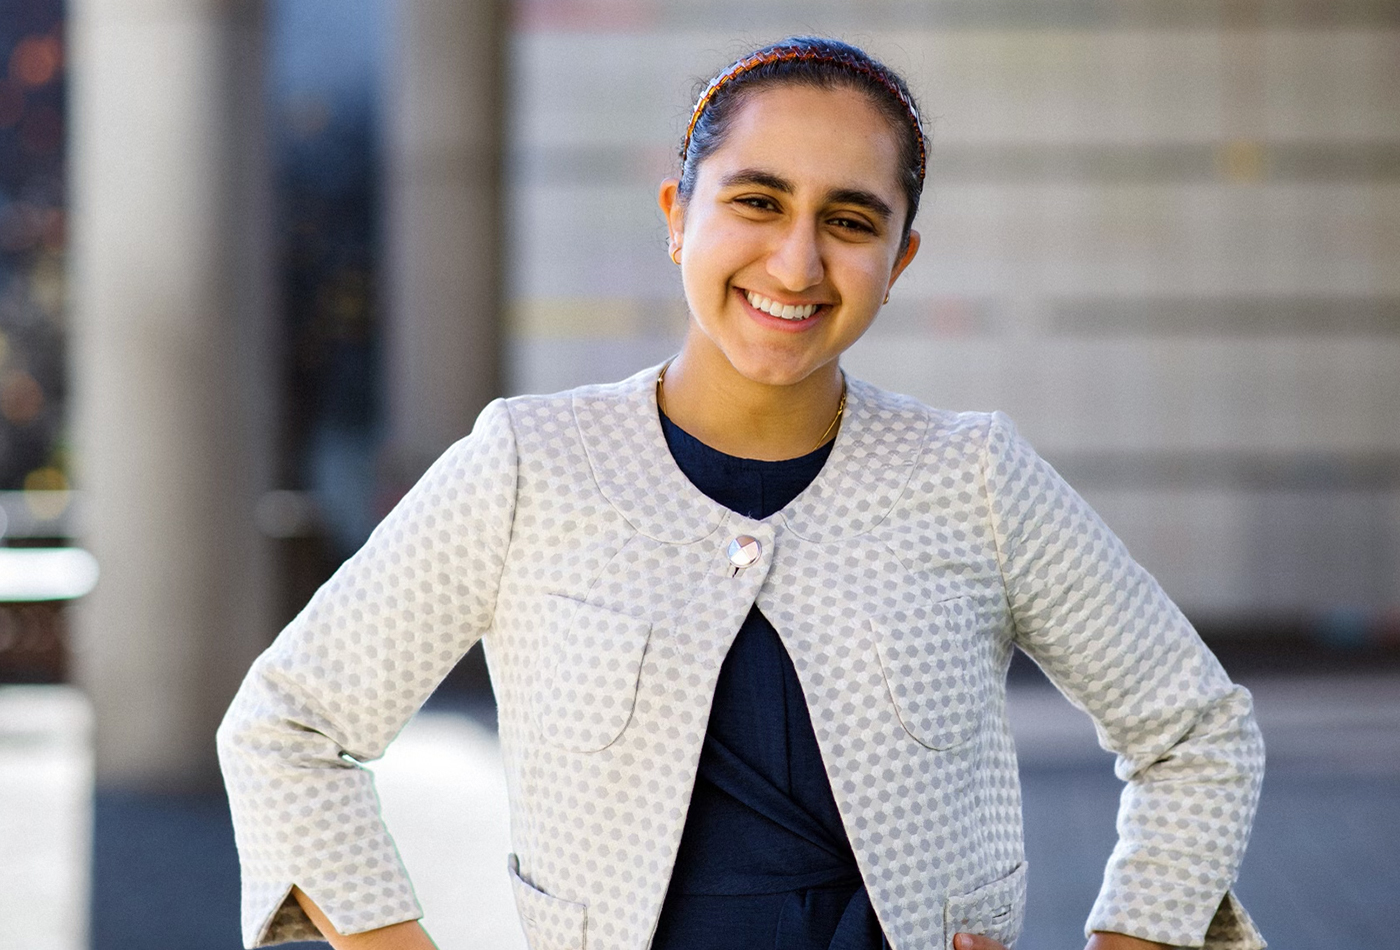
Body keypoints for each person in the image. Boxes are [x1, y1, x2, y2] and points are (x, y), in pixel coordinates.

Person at [218, 37, 1265, 950]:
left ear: (897, 260)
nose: (797, 258)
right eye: (756, 201)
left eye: (850, 220)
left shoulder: (974, 477)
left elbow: (1196, 735)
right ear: (678, 214)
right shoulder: (528, 464)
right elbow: (285, 726)